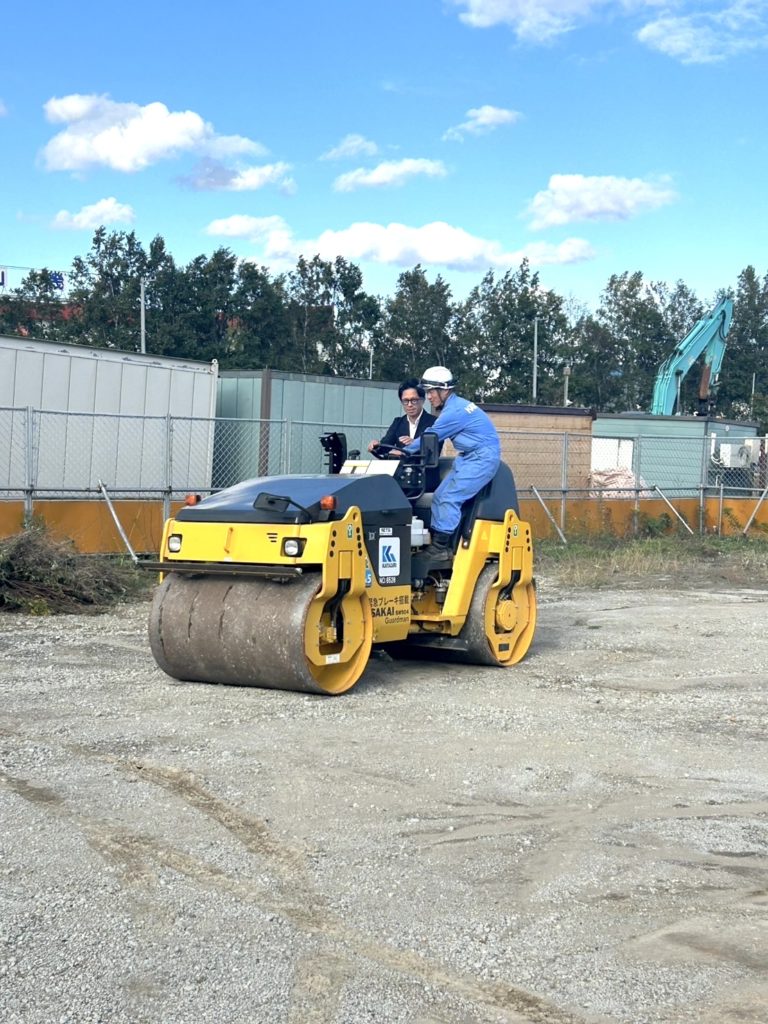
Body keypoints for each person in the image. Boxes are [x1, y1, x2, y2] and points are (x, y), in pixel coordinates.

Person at [403, 366, 500, 564]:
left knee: (448, 497)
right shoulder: (456, 406)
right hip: (469, 456)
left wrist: (399, 452)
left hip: (481, 458)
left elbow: (429, 437)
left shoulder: (454, 412)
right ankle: (441, 544)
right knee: (439, 495)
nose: (428, 397)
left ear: (444, 390)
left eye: (431, 392)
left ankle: (441, 548)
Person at [367, 378, 437, 456]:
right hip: (401, 467)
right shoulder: (398, 423)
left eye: (414, 400)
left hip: (424, 467)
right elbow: (385, 446)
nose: (409, 405)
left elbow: (435, 450)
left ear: (422, 400)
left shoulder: (434, 422)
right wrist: (376, 445)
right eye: (405, 401)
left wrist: (415, 444)